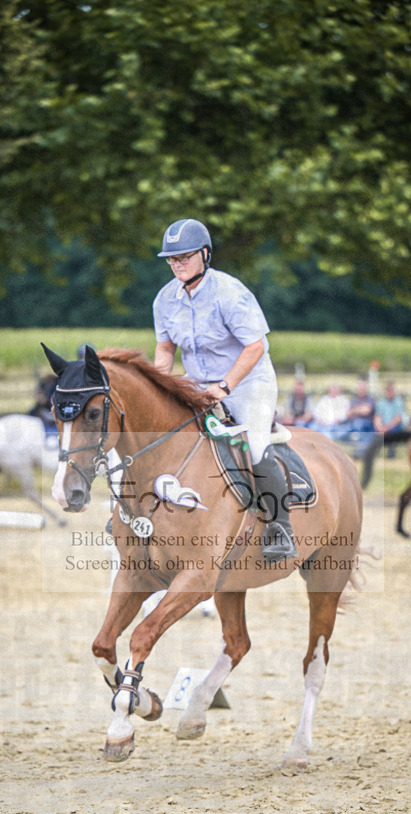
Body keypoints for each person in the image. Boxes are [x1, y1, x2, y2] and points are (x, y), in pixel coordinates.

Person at [152, 217, 297, 562]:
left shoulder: (229, 292)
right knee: (158, 434)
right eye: (172, 259)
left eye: (184, 256)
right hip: (198, 383)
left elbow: (255, 347)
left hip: (248, 382)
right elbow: (165, 349)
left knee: (257, 446)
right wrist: (159, 386)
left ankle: (281, 526)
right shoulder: (164, 300)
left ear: (205, 253)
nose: (177, 264)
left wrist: (224, 386)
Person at [373, 381, 410, 456]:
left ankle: (391, 455)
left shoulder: (399, 402)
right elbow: (377, 417)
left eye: (391, 390)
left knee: (392, 434)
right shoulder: (380, 402)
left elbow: (397, 419)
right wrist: (379, 427)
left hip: (395, 427)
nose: (389, 392)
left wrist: (386, 428)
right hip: (383, 427)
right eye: (388, 390)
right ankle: (375, 455)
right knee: (374, 432)